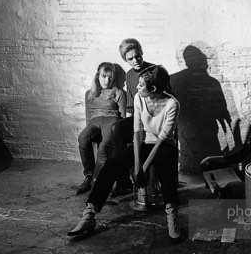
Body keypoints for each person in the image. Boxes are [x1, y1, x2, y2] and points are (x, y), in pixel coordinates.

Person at [68, 65, 181, 242]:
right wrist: (137, 165)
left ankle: (172, 216)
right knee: (110, 166)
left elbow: (163, 138)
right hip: (143, 142)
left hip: (163, 145)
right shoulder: (139, 98)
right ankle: (89, 214)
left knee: (166, 170)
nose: (137, 87)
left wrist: (143, 168)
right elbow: (137, 131)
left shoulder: (172, 104)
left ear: (152, 89)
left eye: (141, 84)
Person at [110, 38, 174, 197]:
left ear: (142, 53)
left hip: (157, 118)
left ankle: (149, 179)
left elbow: (170, 97)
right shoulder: (130, 75)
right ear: (125, 59)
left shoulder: (154, 71)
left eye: (137, 56)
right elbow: (132, 102)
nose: (135, 61)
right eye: (130, 58)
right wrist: (131, 123)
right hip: (140, 116)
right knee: (116, 128)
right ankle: (122, 181)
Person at [76, 62, 126, 195]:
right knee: (82, 138)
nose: (107, 80)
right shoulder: (90, 93)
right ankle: (89, 175)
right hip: (94, 122)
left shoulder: (118, 92)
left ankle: (97, 182)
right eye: (104, 76)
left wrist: (114, 132)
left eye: (110, 77)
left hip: (112, 120)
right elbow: (88, 116)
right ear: (98, 76)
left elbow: (123, 116)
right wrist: (91, 131)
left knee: (104, 148)